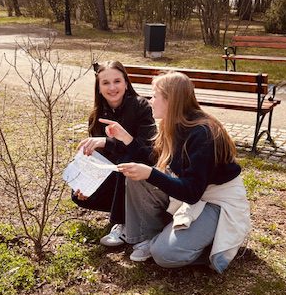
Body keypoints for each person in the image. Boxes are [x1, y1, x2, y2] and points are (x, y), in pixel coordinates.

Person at [100, 71, 251, 271]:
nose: (150, 101)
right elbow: (157, 159)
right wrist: (126, 138)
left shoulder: (203, 133)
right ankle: (150, 237)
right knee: (136, 177)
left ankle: (212, 246)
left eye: (155, 96)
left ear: (171, 100)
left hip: (217, 202)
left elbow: (192, 192)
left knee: (165, 255)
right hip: (195, 197)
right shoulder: (173, 124)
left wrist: (151, 174)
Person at [72, 61, 156, 246]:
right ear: (99, 88)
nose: (112, 88)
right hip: (115, 176)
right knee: (78, 194)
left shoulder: (141, 106)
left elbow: (147, 152)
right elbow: (98, 160)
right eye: (105, 83)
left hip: (142, 175)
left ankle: (123, 223)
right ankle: (131, 213)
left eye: (117, 81)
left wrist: (107, 141)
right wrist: (86, 182)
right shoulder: (96, 116)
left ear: (126, 83)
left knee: (125, 161)